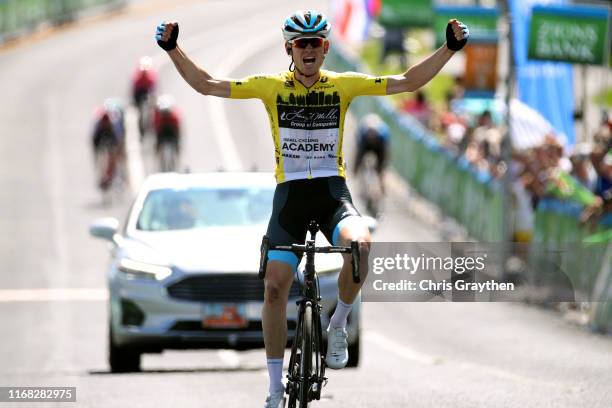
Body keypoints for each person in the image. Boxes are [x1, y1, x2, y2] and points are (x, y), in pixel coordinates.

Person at [155, 10, 468, 407]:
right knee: (273, 288)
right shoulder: (270, 86)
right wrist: (173, 48)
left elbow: (408, 81)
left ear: (325, 48)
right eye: (300, 43)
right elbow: (207, 84)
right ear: (289, 48)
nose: (308, 50)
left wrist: (450, 48)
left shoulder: (343, 85)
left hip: (331, 192)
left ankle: (337, 326)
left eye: (315, 43)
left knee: (362, 247)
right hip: (290, 198)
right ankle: (273, 388)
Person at [91, 99, 126, 189]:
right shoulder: (98, 123)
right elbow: (94, 139)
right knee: (100, 154)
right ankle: (103, 174)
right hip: (100, 134)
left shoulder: (114, 122)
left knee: (115, 153)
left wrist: (119, 152)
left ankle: (114, 172)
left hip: (112, 134)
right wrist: (96, 154)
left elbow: (119, 138)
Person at [353, 113, 390, 194]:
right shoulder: (362, 135)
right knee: (359, 158)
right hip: (365, 143)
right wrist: (355, 168)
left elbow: (385, 154)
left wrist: (381, 168)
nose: (371, 136)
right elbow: (358, 154)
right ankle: (357, 178)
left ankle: (382, 186)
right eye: (370, 134)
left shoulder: (383, 136)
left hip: (379, 145)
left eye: (373, 134)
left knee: (381, 167)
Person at [153, 94, 182, 168]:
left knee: (177, 140)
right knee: (158, 141)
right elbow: (156, 129)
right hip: (162, 129)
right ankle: (159, 152)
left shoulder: (175, 115)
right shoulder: (158, 116)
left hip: (172, 129)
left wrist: (177, 142)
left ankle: (177, 149)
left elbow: (177, 128)